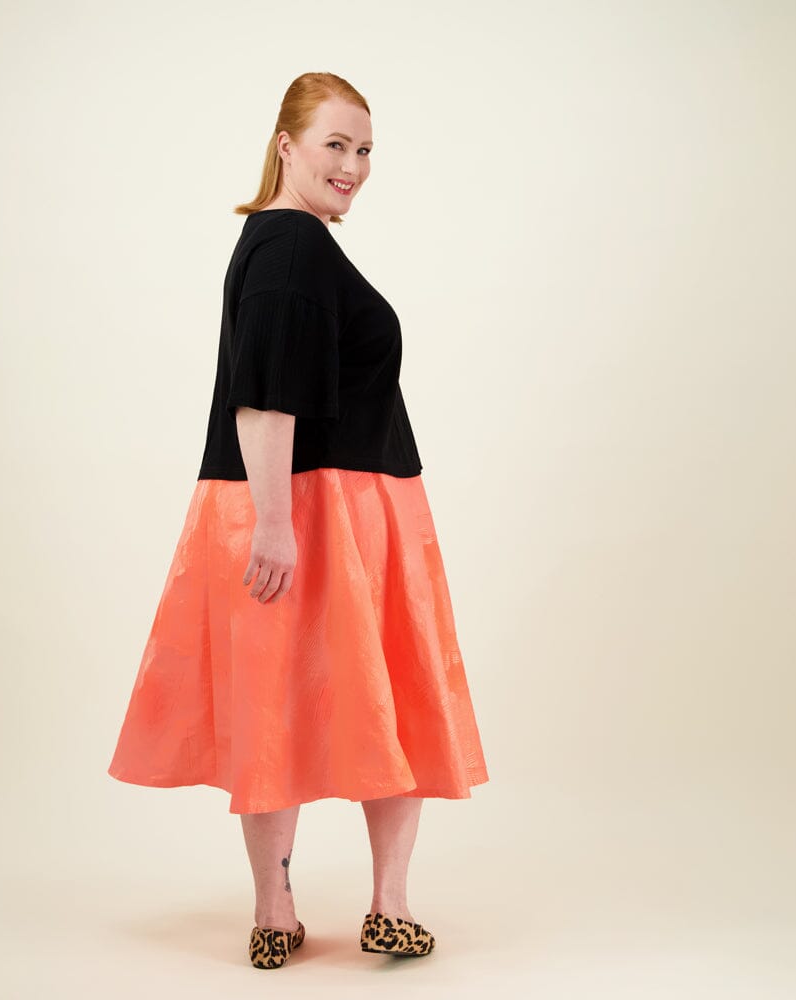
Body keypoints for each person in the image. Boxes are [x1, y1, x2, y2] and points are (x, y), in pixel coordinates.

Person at [107, 71, 489, 969]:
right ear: (286, 146)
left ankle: (314, 910)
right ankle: (331, 907)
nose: (353, 165)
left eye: (365, 150)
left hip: (346, 502)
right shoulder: (290, 248)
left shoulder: (288, 242)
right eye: (335, 145)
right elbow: (263, 402)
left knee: (307, 700)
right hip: (317, 507)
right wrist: (275, 526)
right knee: (330, 698)